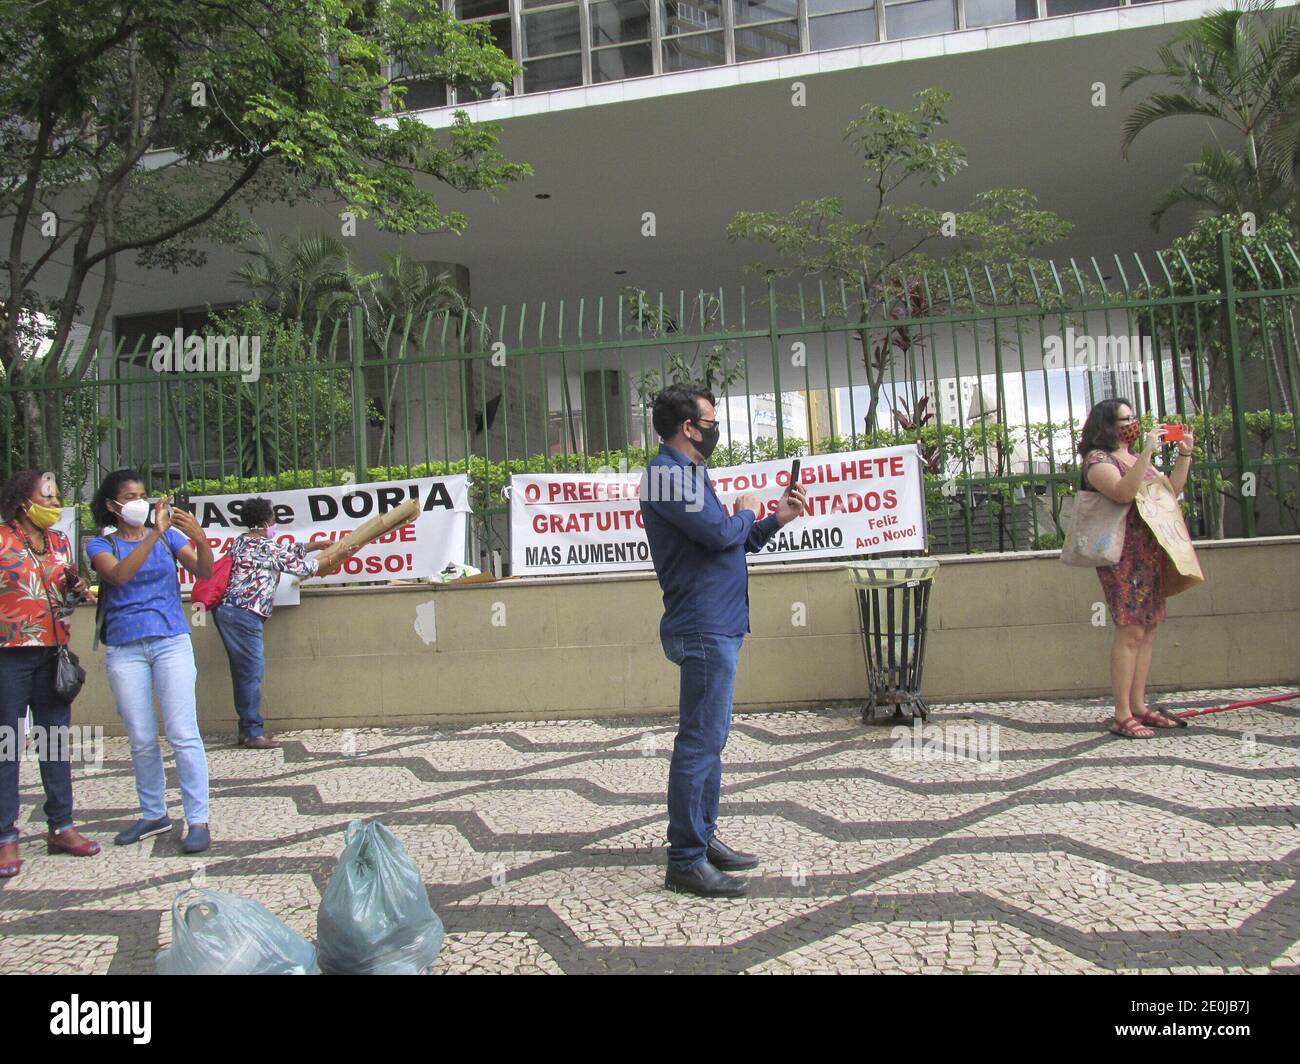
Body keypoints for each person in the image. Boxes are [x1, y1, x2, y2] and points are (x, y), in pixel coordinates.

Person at [640, 385, 807, 898]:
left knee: (711, 742)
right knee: (699, 742)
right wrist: (747, 508)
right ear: (689, 427)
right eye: (710, 420)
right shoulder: (666, 476)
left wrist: (773, 519)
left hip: (721, 620)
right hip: (702, 624)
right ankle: (685, 859)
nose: (715, 427)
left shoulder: (691, 474)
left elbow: (730, 542)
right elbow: (719, 533)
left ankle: (703, 838)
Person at [87, 470, 215, 853]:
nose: (140, 502)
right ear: (112, 505)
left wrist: (200, 537)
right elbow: (120, 577)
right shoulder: (99, 544)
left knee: (182, 732)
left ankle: (198, 819)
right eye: (130, 496)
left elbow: (204, 571)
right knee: (142, 738)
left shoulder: (171, 537)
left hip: (170, 641)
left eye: (143, 494)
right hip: (125, 648)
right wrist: (155, 533)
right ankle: (154, 813)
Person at [0, 471, 101, 878]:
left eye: (58, 497)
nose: (56, 504)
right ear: (24, 502)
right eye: (48, 497)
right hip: (8, 656)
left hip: (54, 655)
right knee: (8, 746)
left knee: (55, 742)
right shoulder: (2, 539)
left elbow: (68, 583)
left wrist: (81, 589)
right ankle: (5, 836)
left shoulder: (58, 542)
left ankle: (61, 826)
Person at [1079, 399, 1196, 739]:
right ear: (1106, 425)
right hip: (1121, 554)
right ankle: (1121, 713)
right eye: (1125, 418)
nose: (1133, 423)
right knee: (1130, 630)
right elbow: (1122, 492)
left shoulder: (1136, 459)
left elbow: (1170, 491)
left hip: (1150, 551)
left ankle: (1139, 705)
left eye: (1133, 417)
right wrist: (1145, 453)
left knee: (1148, 628)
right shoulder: (1098, 460)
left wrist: (1183, 454)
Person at [212, 497, 329, 749]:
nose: (275, 524)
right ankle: (252, 733)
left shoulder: (243, 541)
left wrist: (315, 544)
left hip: (230, 612)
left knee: (245, 673)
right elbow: (302, 568)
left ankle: (248, 729)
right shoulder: (265, 547)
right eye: (274, 519)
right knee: (251, 673)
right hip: (244, 615)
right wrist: (334, 556)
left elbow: (284, 552)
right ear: (266, 521)